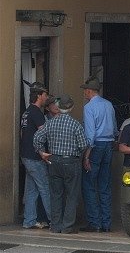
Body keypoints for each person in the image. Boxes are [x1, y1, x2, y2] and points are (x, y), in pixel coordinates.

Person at [33, 94, 88, 234]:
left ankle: (55, 225)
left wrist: (41, 153)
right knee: (71, 195)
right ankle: (67, 226)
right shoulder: (76, 124)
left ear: (58, 108)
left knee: (55, 194)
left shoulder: (50, 123)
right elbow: (83, 145)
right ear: (71, 108)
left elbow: (37, 137)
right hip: (71, 161)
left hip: (54, 160)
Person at [80, 77, 118, 233]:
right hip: (109, 145)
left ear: (89, 91)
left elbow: (90, 133)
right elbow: (115, 129)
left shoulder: (89, 107)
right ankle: (106, 223)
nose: (84, 93)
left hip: (96, 147)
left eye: (85, 90)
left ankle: (94, 223)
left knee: (89, 184)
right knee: (105, 185)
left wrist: (87, 155)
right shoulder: (108, 105)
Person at [20, 83, 51, 229]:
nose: (47, 97)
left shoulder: (26, 112)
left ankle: (29, 220)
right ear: (39, 95)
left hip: (26, 155)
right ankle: (54, 220)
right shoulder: (37, 112)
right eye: (45, 95)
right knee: (45, 188)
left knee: (32, 190)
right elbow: (44, 134)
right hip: (35, 156)